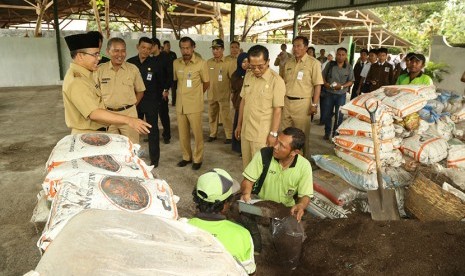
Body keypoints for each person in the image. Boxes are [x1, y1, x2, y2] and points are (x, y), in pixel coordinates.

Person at [240, 127, 313, 253]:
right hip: (260, 203)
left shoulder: (304, 166)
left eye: (281, 146)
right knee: (240, 210)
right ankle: (256, 244)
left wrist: (301, 205)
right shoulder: (264, 154)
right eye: (277, 141)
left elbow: (305, 195)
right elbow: (248, 181)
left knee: (293, 240)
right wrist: (246, 193)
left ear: (294, 152)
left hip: (285, 209)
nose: (275, 146)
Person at [62, 32, 151, 135]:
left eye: (98, 54)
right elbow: (94, 113)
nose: (99, 58)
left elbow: (140, 91)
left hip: (98, 129)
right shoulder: (77, 81)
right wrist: (129, 120)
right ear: (80, 56)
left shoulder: (87, 75)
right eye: (95, 54)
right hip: (88, 134)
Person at [189, 168, 256, 275]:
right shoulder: (242, 235)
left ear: (196, 198)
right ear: (226, 204)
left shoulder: (180, 227)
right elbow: (249, 272)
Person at [235, 45, 285, 169]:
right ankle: (249, 188)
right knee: (247, 166)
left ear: (268, 62)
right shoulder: (248, 76)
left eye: (260, 66)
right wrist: (239, 124)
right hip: (246, 131)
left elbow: (277, 110)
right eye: (252, 66)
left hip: (262, 135)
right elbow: (243, 101)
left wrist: (273, 134)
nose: (256, 70)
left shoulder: (276, 81)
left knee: (261, 168)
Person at [95, 37, 145, 144]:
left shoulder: (132, 69)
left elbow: (140, 91)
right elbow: (95, 94)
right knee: (112, 148)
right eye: (116, 51)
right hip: (108, 116)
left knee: (132, 148)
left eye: (123, 51)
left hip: (129, 115)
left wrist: (131, 107)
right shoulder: (100, 70)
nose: (120, 54)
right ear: (108, 52)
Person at [127, 37, 168, 167]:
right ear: (137, 47)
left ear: (151, 50)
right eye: (143, 47)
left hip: (151, 102)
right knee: (132, 131)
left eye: (148, 49)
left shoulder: (156, 63)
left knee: (152, 132)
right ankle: (132, 157)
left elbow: (161, 83)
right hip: (134, 103)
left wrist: (157, 100)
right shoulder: (130, 63)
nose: (145, 51)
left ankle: (154, 160)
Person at [282, 36, 323, 157]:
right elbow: (284, 82)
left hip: (302, 104)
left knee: (301, 135)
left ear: (306, 47)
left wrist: (314, 104)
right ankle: (287, 158)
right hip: (286, 102)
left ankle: (302, 161)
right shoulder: (289, 62)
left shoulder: (313, 63)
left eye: (299, 46)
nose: (295, 48)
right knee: (286, 133)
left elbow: (318, 85)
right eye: (294, 46)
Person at [174, 36, 210, 170]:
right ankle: (186, 157)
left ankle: (198, 158)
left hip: (194, 105)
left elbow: (206, 83)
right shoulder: (176, 63)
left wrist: (197, 95)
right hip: (180, 105)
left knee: (197, 134)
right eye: (182, 48)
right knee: (183, 134)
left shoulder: (201, 63)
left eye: (188, 48)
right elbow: (176, 81)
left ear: (193, 47)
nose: (185, 51)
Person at [321, 47, 354, 140]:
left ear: (345, 56)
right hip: (329, 94)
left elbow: (351, 81)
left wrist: (342, 86)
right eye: (339, 54)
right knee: (327, 114)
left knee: (339, 115)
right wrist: (325, 84)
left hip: (341, 95)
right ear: (336, 55)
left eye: (343, 55)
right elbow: (322, 76)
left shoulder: (349, 67)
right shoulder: (330, 65)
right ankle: (327, 132)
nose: (340, 56)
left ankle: (335, 134)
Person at [206, 39, 234, 144]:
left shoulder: (229, 63)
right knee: (212, 115)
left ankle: (229, 136)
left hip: (223, 95)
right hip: (211, 94)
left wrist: (232, 93)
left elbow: (232, 79)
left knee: (226, 116)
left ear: (222, 49)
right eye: (213, 49)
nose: (215, 51)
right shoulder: (208, 62)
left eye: (217, 49)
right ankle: (212, 134)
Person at [152, 37, 173, 145]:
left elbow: (170, 75)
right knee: (152, 115)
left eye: (151, 47)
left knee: (164, 114)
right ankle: (153, 134)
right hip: (152, 92)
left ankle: (167, 135)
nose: (149, 49)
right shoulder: (150, 59)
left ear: (156, 46)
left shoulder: (165, 58)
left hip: (162, 91)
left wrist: (166, 89)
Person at [230, 53, 248, 155]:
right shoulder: (236, 74)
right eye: (243, 62)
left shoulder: (253, 74)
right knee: (239, 125)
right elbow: (236, 86)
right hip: (239, 104)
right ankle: (239, 148)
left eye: (247, 61)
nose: (246, 64)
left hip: (250, 105)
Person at [163, 40, 178, 106]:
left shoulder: (173, 54)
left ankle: (173, 103)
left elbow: (176, 64)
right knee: (165, 90)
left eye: (169, 45)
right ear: (164, 46)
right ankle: (165, 101)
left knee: (174, 90)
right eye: (167, 45)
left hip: (173, 75)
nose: (169, 47)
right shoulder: (162, 54)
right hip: (165, 76)